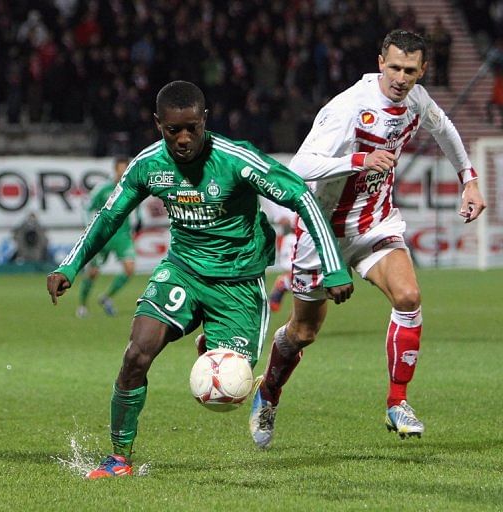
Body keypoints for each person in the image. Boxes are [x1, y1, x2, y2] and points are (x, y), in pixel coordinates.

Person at [47, 80, 354, 479]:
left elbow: (301, 196)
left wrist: (332, 265)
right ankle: (120, 457)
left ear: (205, 120)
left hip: (238, 284)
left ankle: (214, 343)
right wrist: (69, 266)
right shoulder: (149, 165)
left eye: (193, 127)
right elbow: (109, 216)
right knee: (137, 353)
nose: (184, 138)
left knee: (229, 391)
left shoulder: (236, 159)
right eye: (174, 130)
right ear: (159, 124)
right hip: (183, 270)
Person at [249, 29, 486, 449]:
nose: (400, 77)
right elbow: (301, 165)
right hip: (321, 231)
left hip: (374, 223)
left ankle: (398, 402)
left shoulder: (416, 99)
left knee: (409, 297)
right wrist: (359, 159)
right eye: (394, 67)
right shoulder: (348, 108)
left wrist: (469, 179)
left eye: (410, 70)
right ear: (380, 62)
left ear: (422, 71)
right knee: (303, 332)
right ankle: (268, 392)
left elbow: (444, 128)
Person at [76, 156, 137, 318]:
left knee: (130, 269)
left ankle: (106, 297)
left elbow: (137, 210)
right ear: (115, 169)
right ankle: (82, 305)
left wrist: (138, 222)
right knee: (93, 272)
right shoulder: (103, 189)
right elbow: (87, 207)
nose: (124, 171)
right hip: (104, 235)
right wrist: (89, 226)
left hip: (122, 235)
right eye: (121, 168)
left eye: (126, 168)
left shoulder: (132, 187)